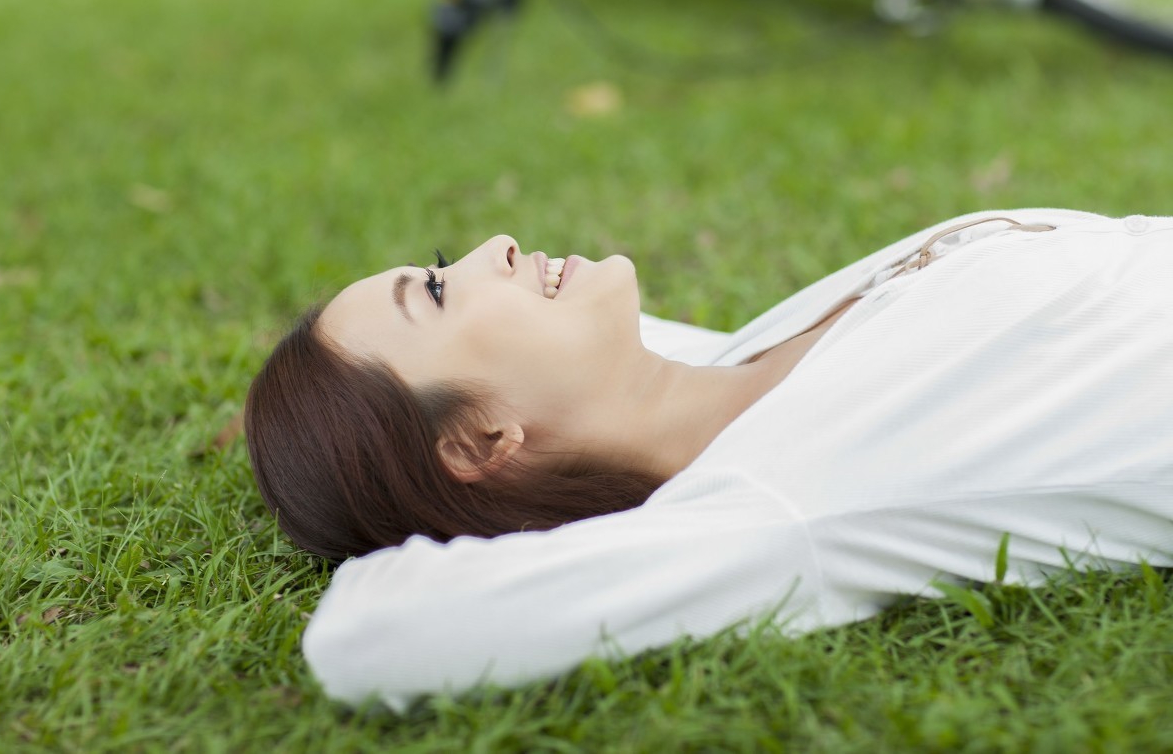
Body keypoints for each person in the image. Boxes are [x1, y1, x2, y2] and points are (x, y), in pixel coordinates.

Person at [244, 207, 1173, 714]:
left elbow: (576, 384)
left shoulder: (725, 371)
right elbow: (364, 638)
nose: (499, 246)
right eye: (440, 290)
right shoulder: (781, 502)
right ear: (481, 441)